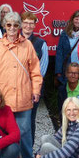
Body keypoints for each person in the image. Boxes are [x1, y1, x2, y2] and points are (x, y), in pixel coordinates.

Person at [0, 11, 43, 158]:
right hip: (2, 96)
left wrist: (36, 89)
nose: (12, 28)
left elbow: (35, 71)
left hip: (23, 94)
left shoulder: (28, 45)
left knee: (25, 130)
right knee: (1, 129)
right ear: (4, 26)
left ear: (20, 27)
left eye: (15, 25)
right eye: (9, 25)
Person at [22, 11, 48, 143]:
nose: (28, 26)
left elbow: (42, 68)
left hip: (33, 87)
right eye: (25, 23)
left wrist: (34, 85)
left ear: (34, 25)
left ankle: (29, 147)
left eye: (31, 23)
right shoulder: (14, 40)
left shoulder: (40, 43)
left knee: (30, 117)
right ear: (21, 24)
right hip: (17, 87)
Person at [55, 10, 79, 85]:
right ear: (72, 20)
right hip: (68, 68)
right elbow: (60, 52)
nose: (78, 21)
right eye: (76, 19)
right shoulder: (65, 33)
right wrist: (58, 71)